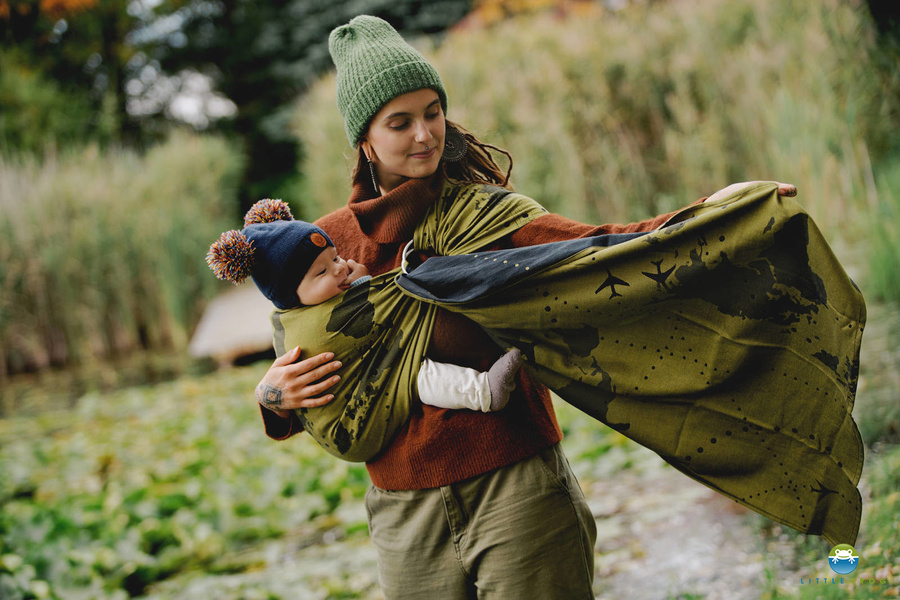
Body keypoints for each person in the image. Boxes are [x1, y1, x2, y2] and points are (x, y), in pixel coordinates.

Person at [253, 15, 800, 599]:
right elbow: (308, 352)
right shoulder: (330, 245)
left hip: (517, 488)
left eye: (433, 112)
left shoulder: (488, 215)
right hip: (404, 514)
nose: (425, 134)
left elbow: (604, 249)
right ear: (364, 139)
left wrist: (710, 212)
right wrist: (272, 396)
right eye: (400, 122)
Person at [206, 198, 524, 426]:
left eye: (336, 258)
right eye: (322, 271)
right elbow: (345, 339)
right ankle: (481, 392)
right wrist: (272, 398)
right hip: (391, 472)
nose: (338, 267)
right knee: (416, 375)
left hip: (508, 452)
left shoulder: (475, 202)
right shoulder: (326, 236)